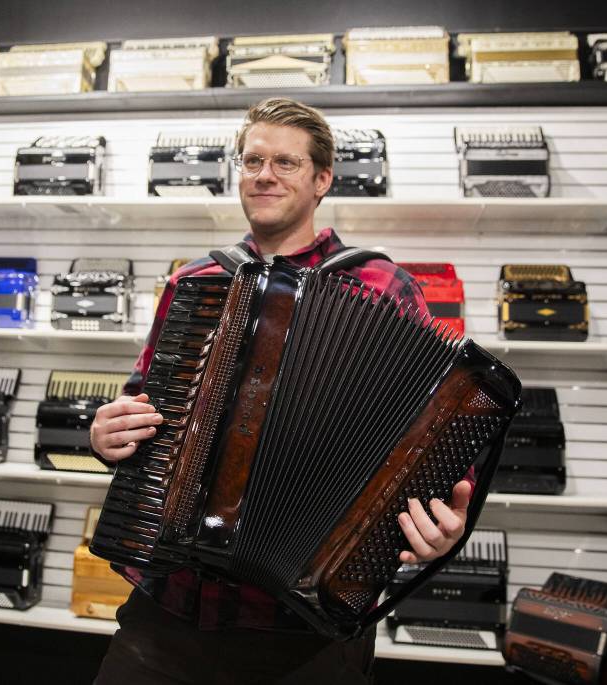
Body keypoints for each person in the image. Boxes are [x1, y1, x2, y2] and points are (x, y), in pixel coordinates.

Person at [90, 97, 475, 685]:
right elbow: (141, 402)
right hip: (170, 606)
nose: (264, 175)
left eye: (286, 163)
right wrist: (106, 433)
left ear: (322, 180)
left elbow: (429, 436)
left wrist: (439, 522)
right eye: (252, 161)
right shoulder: (195, 282)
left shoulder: (380, 286)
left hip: (304, 624)